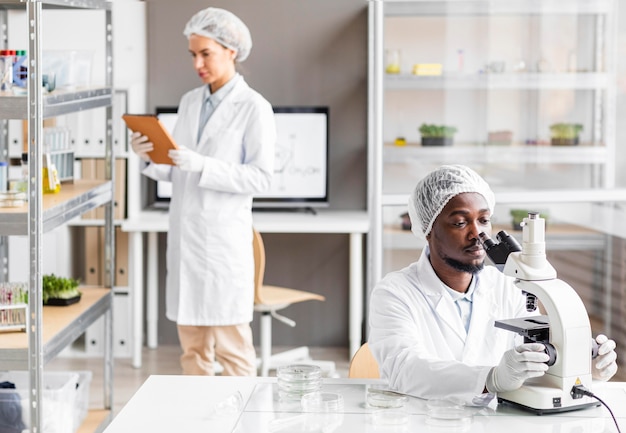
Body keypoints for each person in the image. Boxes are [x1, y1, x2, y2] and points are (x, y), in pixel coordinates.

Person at [368, 164, 618, 405]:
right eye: (460, 222)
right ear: (427, 230)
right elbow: (404, 368)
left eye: (484, 220)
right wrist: (490, 379)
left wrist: (582, 362)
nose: (477, 235)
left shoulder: (508, 285)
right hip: (426, 420)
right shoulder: (395, 293)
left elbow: (535, 357)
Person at [129, 7, 276, 376]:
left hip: (222, 245)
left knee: (233, 353)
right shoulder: (190, 102)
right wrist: (148, 156)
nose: (197, 63)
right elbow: (180, 168)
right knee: (192, 352)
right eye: (193, 54)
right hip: (187, 241)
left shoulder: (254, 107)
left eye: (205, 53)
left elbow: (261, 178)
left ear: (232, 51)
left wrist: (204, 165)